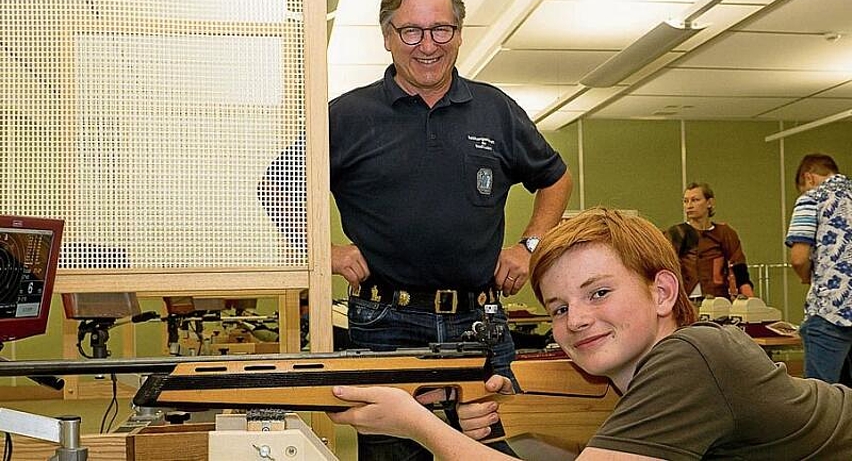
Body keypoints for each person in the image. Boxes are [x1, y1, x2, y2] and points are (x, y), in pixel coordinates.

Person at [328, 208, 852, 460]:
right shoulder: (642, 372)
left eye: (598, 292)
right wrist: (518, 407)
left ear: (664, 292)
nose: (574, 319)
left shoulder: (694, 353)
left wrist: (418, 425)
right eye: (557, 307)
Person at [326, 0, 572, 459]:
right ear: (387, 37)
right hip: (385, 323)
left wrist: (529, 247)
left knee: (489, 453)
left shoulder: (495, 109)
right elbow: (276, 190)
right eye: (411, 31)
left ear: (459, 34)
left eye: (442, 30)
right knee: (393, 452)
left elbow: (556, 178)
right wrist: (324, 253)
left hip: (479, 321)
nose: (428, 45)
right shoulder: (347, 116)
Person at [786, 153, 852, 384]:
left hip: (830, 311)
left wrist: (805, 276)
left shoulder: (812, 198)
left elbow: (799, 257)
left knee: (821, 399)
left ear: (809, 178)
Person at [665, 182, 754, 307]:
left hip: (718, 301)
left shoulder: (725, 233)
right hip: (684, 300)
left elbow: (739, 268)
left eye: (695, 200)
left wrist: (750, 302)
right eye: (686, 201)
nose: (689, 206)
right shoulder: (676, 233)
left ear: (709, 203)